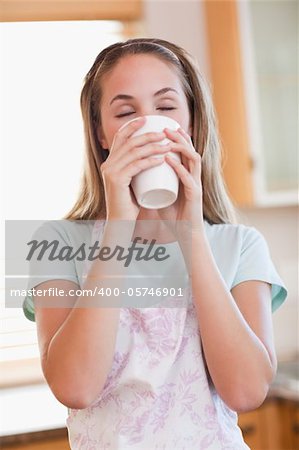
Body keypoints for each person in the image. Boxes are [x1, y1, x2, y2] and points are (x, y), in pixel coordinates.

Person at [23, 38, 287, 449]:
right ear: (102, 134)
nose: (149, 126)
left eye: (166, 108)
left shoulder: (240, 245)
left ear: (192, 124)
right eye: (126, 113)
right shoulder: (57, 242)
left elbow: (247, 392)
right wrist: (118, 227)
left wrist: (192, 235)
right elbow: (75, 387)